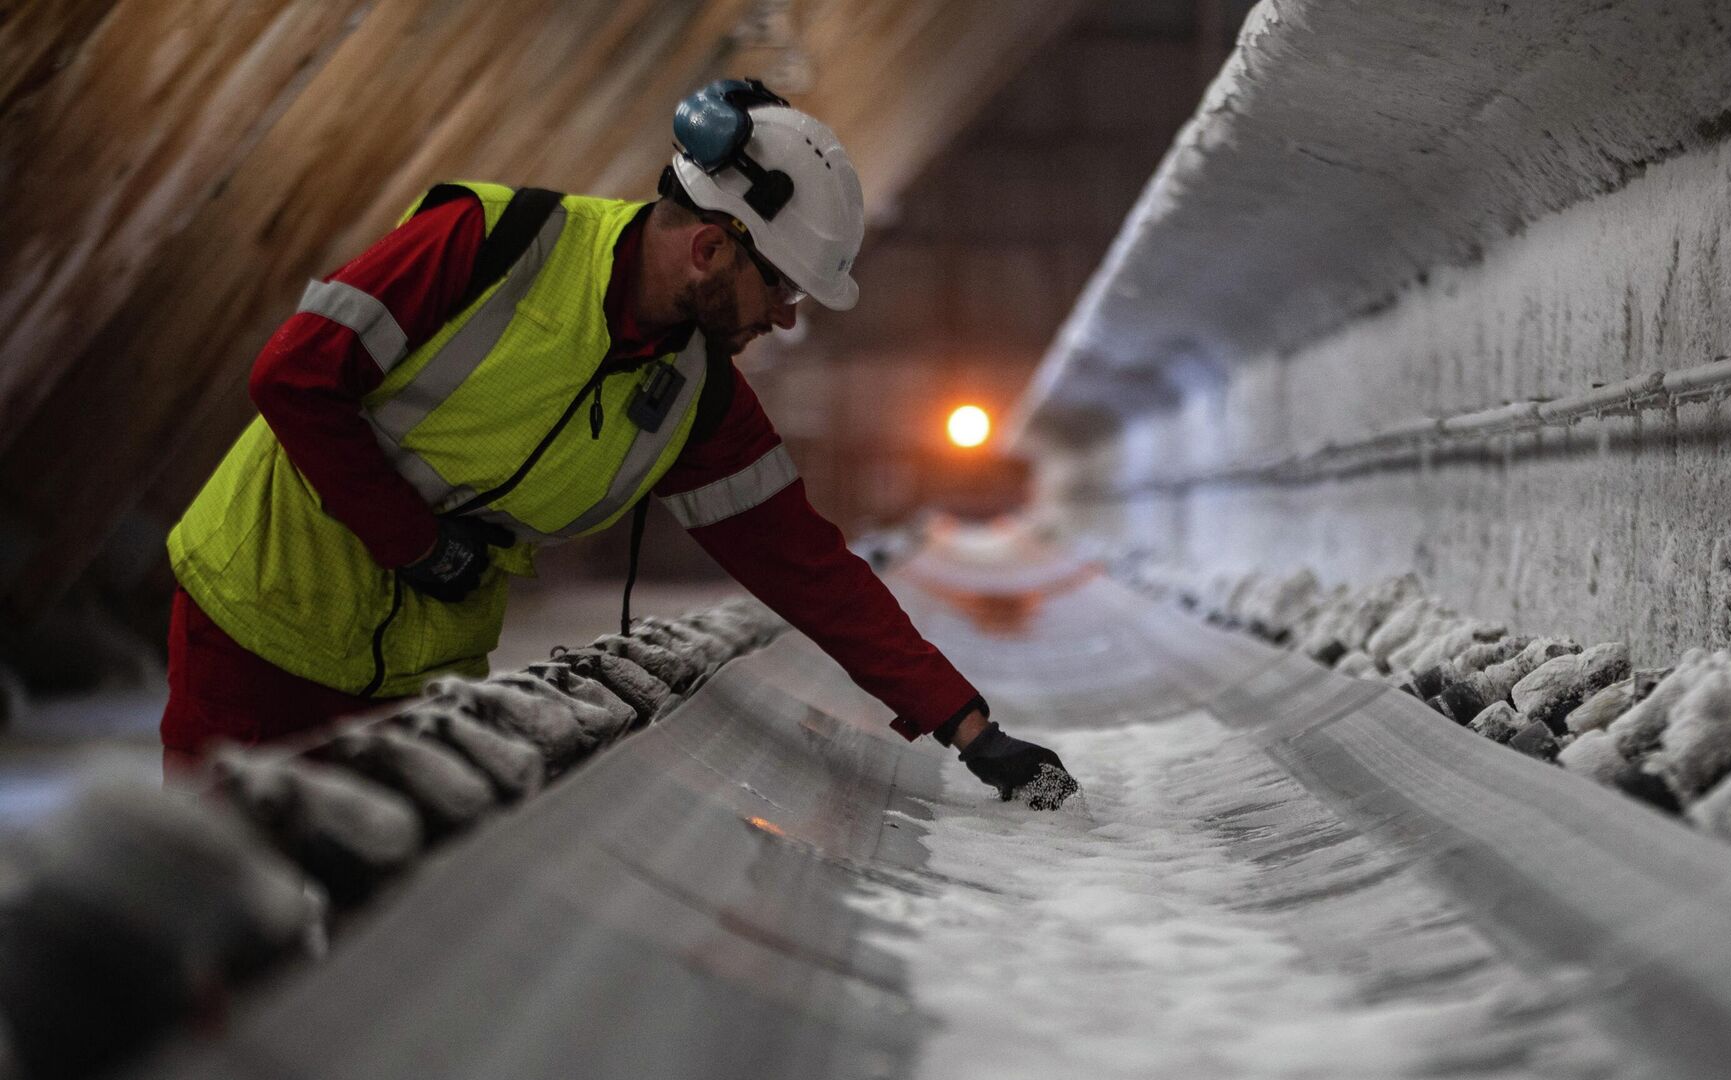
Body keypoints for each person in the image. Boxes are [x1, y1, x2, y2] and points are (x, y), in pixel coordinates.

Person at [162, 79, 1077, 807]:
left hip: (416, 676)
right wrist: (413, 542)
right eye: (783, 289)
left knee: (360, 949)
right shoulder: (487, 242)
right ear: (713, 251)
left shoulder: (697, 395)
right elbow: (294, 376)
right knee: (212, 927)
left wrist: (968, 727)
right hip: (261, 622)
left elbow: (807, 566)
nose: (787, 317)